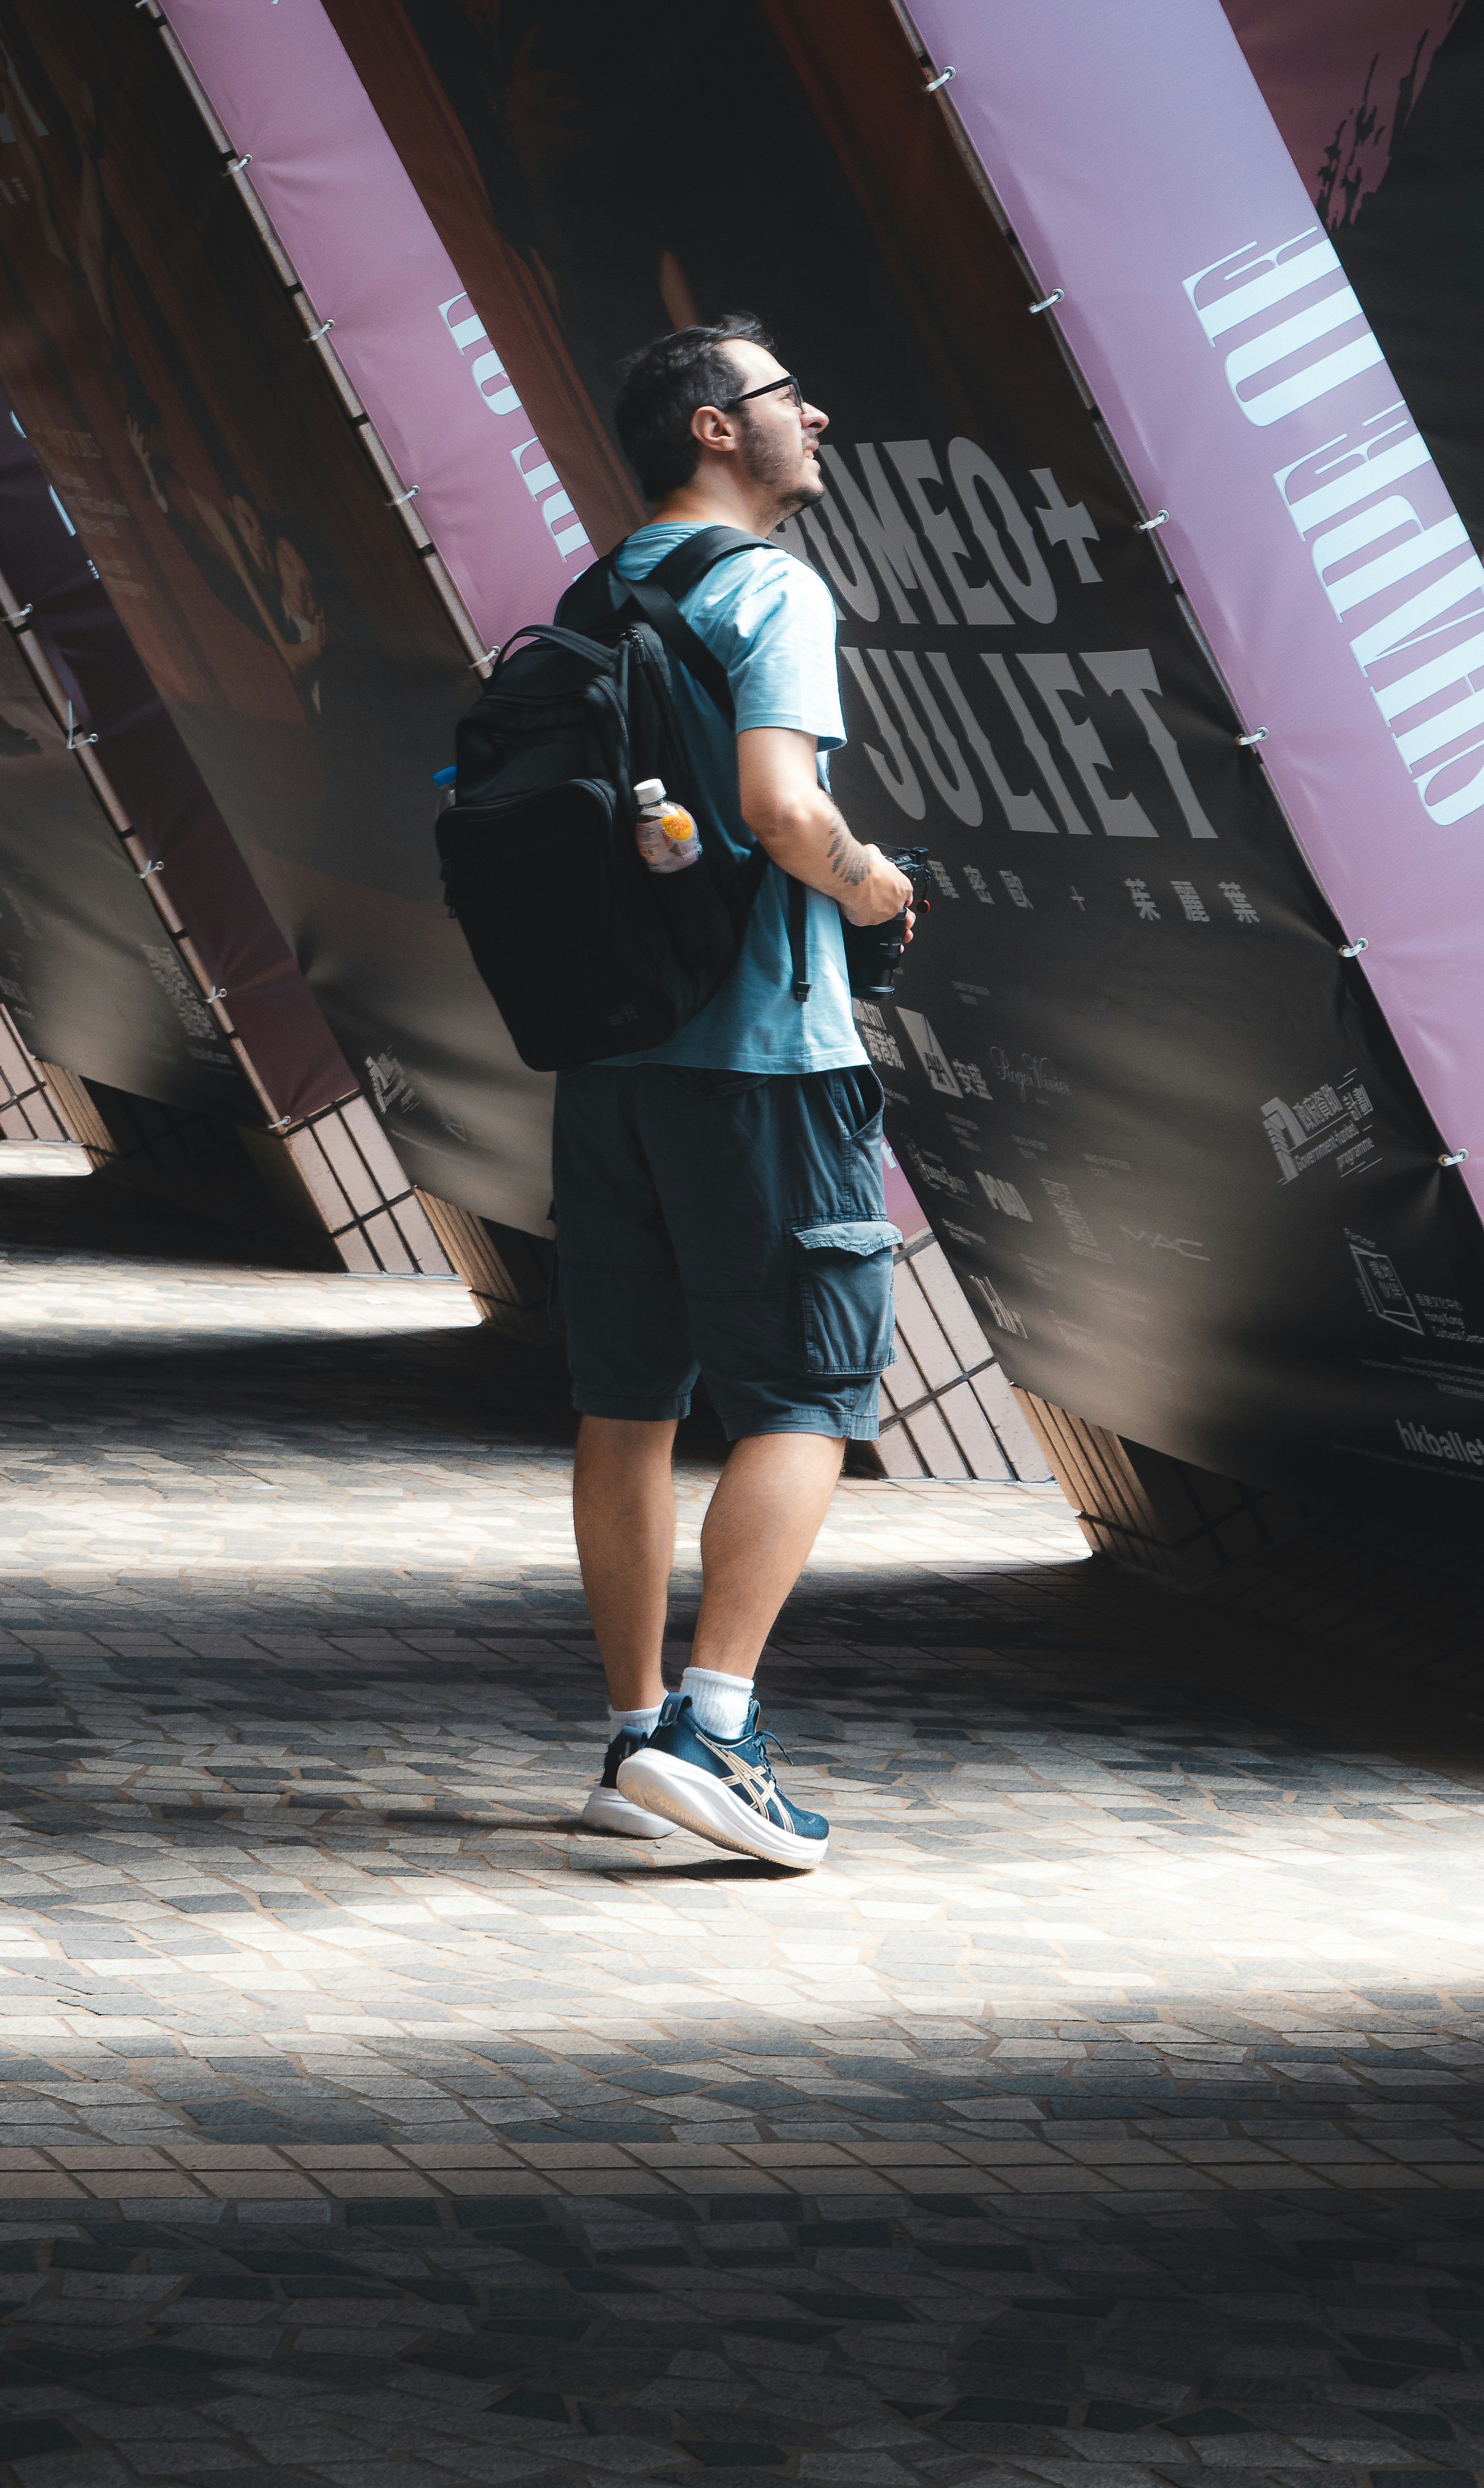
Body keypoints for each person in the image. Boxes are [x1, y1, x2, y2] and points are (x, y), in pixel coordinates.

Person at [555, 314, 915, 1870]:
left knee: (628, 1398)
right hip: (766, 1062)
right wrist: (882, 888)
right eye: (785, 394)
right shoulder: (771, 586)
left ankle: (636, 1736)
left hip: (615, 1060)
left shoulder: (597, 594)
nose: (815, 412)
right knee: (812, 1395)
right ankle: (716, 1729)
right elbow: (781, 808)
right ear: (714, 427)